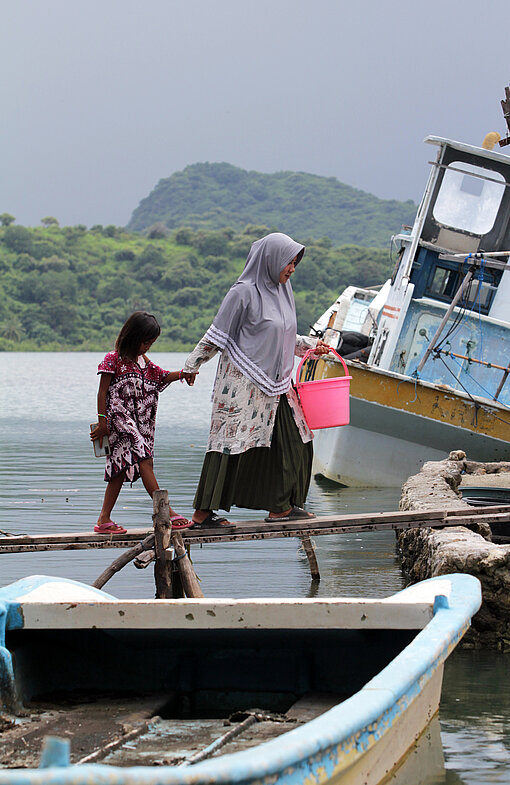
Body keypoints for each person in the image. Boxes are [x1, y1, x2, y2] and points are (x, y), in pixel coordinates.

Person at [181, 232, 330, 529]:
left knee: (295, 439)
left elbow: (281, 336)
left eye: (295, 264)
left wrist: (310, 346)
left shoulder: (283, 293)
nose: (291, 269)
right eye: (289, 262)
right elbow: (218, 334)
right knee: (230, 443)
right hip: (241, 380)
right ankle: (201, 515)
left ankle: (281, 507)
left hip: (277, 381)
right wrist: (193, 363)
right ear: (270, 260)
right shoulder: (242, 293)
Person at [90, 311, 193, 534]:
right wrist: (102, 422)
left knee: (119, 469)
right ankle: (168, 512)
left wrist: (184, 374)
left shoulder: (143, 361)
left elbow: (162, 376)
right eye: (145, 342)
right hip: (119, 421)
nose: (147, 347)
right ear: (133, 337)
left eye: (151, 343)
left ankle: (103, 519)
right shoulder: (113, 359)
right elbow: (102, 393)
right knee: (144, 458)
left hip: (138, 423)